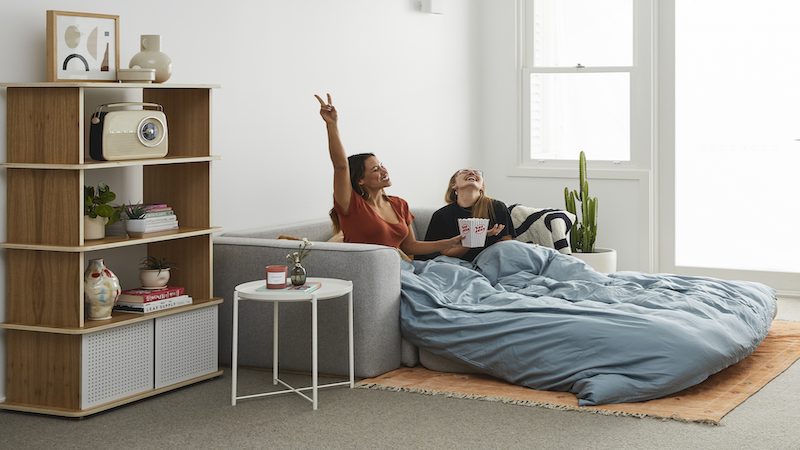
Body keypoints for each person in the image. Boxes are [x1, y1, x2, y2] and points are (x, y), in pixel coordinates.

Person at [315, 93, 463, 258]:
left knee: (462, 278)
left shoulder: (399, 204)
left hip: (401, 268)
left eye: (382, 166)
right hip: (369, 270)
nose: (384, 171)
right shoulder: (351, 205)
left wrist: (450, 242)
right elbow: (340, 166)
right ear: (360, 180)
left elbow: (411, 247)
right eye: (375, 170)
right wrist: (332, 125)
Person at [418, 168, 516, 261]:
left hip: (492, 259)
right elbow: (444, 253)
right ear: (454, 185)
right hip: (458, 264)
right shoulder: (442, 215)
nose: (472, 173)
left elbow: (506, 243)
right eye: (464, 172)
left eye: (477, 173)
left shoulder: (497, 207)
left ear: (482, 187)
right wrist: (475, 237)